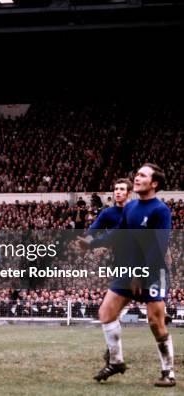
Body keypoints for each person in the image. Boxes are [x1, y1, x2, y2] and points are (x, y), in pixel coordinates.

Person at [79, 164, 175, 387]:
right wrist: (93, 243)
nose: (137, 177)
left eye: (143, 175)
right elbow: (118, 233)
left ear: (155, 184)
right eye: (137, 174)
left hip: (152, 272)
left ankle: (168, 372)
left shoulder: (160, 211)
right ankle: (116, 361)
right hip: (129, 270)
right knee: (105, 312)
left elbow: (158, 249)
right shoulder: (131, 207)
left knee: (155, 322)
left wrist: (139, 274)